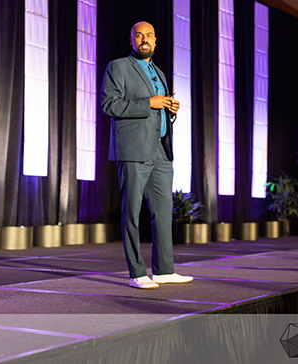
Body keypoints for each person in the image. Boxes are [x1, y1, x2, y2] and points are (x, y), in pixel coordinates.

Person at [101, 21, 193, 289]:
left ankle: (164, 270)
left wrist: (169, 110)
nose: (144, 39)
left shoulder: (160, 72)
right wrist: (149, 103)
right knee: (131, 211)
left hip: (161, 150)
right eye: (139, 35)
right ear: (131, 40)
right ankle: (136, 273)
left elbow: (157, 111)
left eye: (149, 35)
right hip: (133, 150)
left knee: (163, 213)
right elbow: (109, 104)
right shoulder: (118, 67)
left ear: (155, 41)